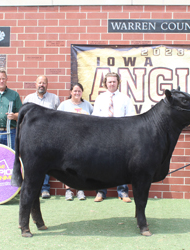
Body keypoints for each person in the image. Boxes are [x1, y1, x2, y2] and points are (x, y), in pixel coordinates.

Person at [92, 72, 135, 203]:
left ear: (118, 82)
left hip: (120, 135)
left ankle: (123, 192)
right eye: (109, 82)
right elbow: (94, 117)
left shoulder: (125, 98)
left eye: (114, 81)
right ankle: (100, 192)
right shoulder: (100, 98)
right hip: (103, 135)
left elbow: (131, 117)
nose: (112, 84)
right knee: (100, 164)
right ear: (106, 83)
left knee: (122, 164)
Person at [23, 75, 60, 199]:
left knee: (46, 163)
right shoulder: (28, 99)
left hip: (49, 137)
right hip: (32, 138)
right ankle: (32, 189)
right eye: (39, 83)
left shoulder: (54, 99)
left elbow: (59, 118)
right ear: (35, 84)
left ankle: (45, 189)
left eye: (44, 83)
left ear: (47, 84)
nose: (41, 85)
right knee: (33, 164)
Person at [57, 83, 93, 201]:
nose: (77, 93)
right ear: (70, 92)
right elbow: (57, 120)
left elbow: (95, 120)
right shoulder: (64, 105)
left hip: (85, 141)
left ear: (82, 92)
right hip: (68, 141)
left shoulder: (87, 105)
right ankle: (68, 190)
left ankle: (80, 190)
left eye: (79, 91)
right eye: (75, 91)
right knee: (68, 166)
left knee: (82, 166)